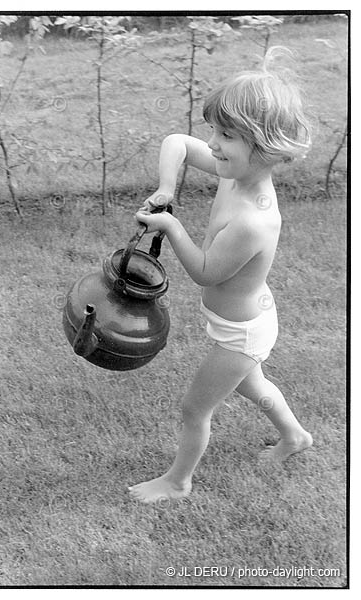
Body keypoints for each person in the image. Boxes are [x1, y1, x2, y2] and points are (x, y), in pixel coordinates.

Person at [128, 48, 313, 504]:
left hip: (240, 334)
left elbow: (206, 274)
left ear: (266, 145)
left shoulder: (254, 218)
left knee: (195, 408)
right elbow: (178, 142)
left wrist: (170, 225)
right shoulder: (236, 174)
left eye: (225, 134)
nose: (211, 142)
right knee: (253, 385)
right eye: (214, 128)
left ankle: (177, 482)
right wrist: (168, 188)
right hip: (246, 321)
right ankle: (296, 436)